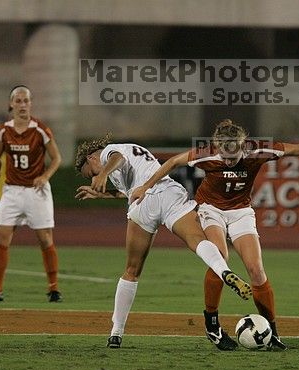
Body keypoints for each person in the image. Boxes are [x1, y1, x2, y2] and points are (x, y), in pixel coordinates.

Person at [131, 119, 299, 350]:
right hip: (210, 209)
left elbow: (296, 148)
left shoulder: (258, 151)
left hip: (241, 212)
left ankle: (272, 332)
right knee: (220, 258)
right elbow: (174, 161)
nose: (227, 162)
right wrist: (146, 186)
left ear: (243, 147)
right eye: (223, 157)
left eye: (232, 158)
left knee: (256, 271)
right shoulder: (207, 155)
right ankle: (212, 325)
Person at [74, 135, 252, 349]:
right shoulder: (129, 154)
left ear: (91, 157)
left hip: (144, 203)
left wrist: (102, 173)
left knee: (131, 270)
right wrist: (102, 195)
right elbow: (130, 190)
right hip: (166, 192)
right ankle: (223, 271)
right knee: (196, 240)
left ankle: (116, 333)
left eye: (91, 173)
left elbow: (116, 158)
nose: (93, 177)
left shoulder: (111, 151)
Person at [0, 85, 63, 303]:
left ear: (31, 104)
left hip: (36, 192)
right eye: (19, 101)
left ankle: (54, 289)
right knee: (2, 238)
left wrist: (45, 176)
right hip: (12, 191)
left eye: (27, 101)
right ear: (11, 104)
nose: (23, 105)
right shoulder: (2, 131)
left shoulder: (41, 129)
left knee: (45, 239)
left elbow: (57, 158)